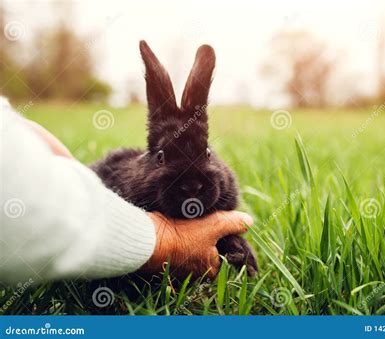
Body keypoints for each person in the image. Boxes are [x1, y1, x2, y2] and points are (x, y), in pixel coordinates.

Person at [0, 97, 253, 284]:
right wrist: (161, 243)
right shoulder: (121, 182)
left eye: (205, 154)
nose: (193, 185)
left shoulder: (221, 186)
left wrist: (227, 241)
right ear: (154, 156)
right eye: (164, 158)